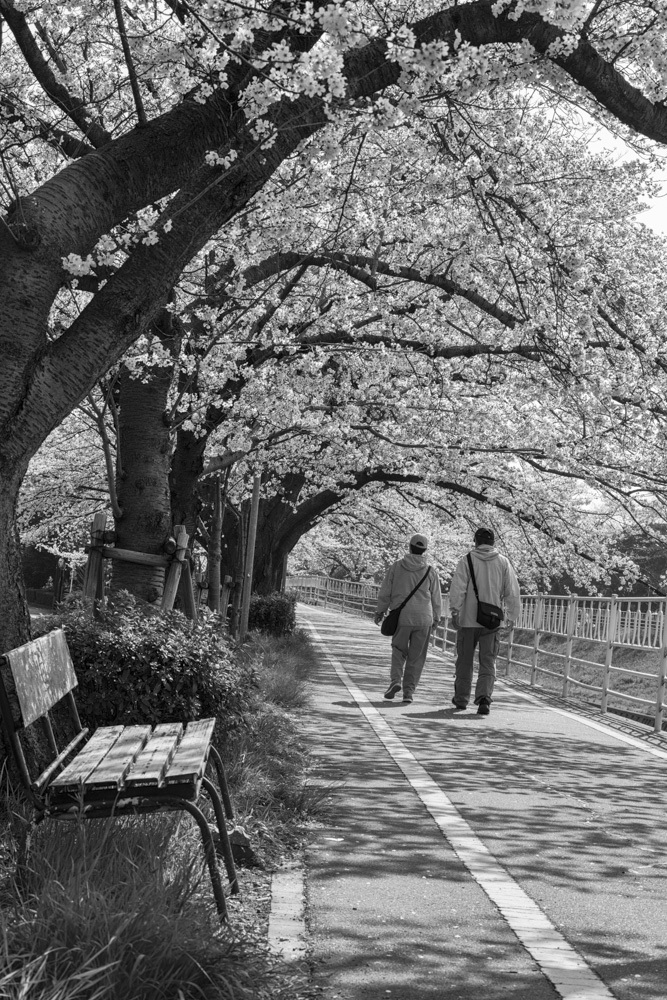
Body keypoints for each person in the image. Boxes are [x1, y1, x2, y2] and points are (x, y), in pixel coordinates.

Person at [448, 527, 521, 716]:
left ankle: (461, 699)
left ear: (475, 541)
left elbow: (458, 587)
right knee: (488, 660)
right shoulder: (503, 562)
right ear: (493, 542)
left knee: (464, 660)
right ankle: (484, 699)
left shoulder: (466, 560)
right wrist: (512, 616)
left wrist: (455, 610)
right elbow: (512, 591)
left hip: (468, 619)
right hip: (492, 621)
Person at [374, 533, 442, 704]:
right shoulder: (430, 570)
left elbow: (385, 591)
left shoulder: (397, 566)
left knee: (398, 650)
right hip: (424, 618)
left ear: (410, 547)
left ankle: (395, 681)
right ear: (424, 550)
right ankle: (408, 693)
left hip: (402, 616)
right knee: (416, 657)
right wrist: (437, 618)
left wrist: (380, 611)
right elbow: (436, 597)